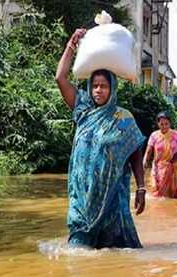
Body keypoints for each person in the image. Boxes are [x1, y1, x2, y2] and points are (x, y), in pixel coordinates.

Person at [55, 29, 146, 248]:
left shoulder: (123, 119)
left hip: (112, 201)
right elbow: (60, 78)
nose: (98, 90)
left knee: (114, 255)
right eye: (95, 86)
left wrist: (141, 188)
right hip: (81, 201)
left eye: (103, 86)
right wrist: (71, 46)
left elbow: (135, 156)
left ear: (112, 88)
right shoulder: (83, 109)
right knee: (78, 252)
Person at [143, 112, 177, 198]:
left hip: (173, 167)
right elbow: (148, 151)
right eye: (161, 124)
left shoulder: (175, 134)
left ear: (170, 123)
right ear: (158, 124)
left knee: (174, 192)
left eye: (166, 124)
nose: (164, 126)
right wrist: (144, 162)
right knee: (158, 192)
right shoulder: (154, 135)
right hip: (159, 168)